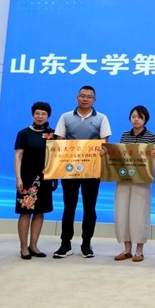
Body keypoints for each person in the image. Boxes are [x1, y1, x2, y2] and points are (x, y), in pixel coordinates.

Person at [53, 85, 112, 258]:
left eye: (89, 96)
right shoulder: (65, 117)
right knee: (69, 207)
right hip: (69, 169)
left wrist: (101, 151)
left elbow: (104, 143)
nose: (85, 99)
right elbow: (59, 141)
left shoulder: (101, 118)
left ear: (94, 100)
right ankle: (65, 244)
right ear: (77, 98)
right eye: (82, 96)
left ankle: (86, 244)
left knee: (89, 207)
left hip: (92, 170)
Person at [112, 105, 155, 263]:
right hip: (124, 179)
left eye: (139, 117)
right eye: (133, 117)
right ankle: (127, 250)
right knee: (122, 212)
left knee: (139, 213)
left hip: (142, 180)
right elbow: (119, 156)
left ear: (145, 119)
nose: (136, 119)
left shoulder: (151, 137)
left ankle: (139, 251)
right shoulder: (125, 135)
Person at [14, 101, 56, 259]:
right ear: (33, 115)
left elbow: (57, 157)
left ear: (48, 116)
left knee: (39, 212)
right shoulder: (24, 133)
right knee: (25, 212)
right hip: (27, 178)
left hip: (45, 178)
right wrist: (18, 178)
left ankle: (34, 245)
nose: (40, 116)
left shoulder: (53, 134)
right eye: (37, 113)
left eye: (43, 114)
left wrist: (53, 172)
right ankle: (23, 246)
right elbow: (18, 156)